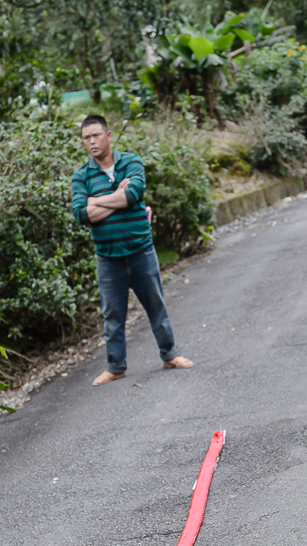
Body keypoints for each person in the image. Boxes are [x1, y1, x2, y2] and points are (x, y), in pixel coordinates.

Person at [71, 114, 193, 387]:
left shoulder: (131, 161)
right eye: (86, 138)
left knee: (156, 306)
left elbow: (132, 194)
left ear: (108, 135)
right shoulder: (81, 175)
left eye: (96, 135)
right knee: (113, 315)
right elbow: (81, 214)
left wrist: (96, 201)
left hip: (141, 252)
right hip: (108, 258)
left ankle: (170, 354)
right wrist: (115, 198)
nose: (91, 142)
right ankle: (115, 367)